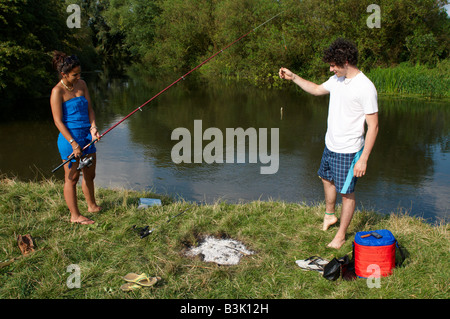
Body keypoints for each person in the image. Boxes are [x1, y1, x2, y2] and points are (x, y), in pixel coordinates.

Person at [279, 38, 379, 249]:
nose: (331, 69)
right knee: (325, 178)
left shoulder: (365, 87)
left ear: (345, 61)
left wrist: (364, 159)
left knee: (347, 193)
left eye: (333, 65)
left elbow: (374, 126)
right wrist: (294, 77)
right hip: (330, 145)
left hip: (349, 151)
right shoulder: (337, 80)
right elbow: (316, 89)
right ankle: (330, 215)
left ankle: (341, 235)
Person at [50, 51, 102, 225]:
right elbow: (58, 121)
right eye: (75, 74)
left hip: (87, 135)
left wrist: (93, 128)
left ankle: (92, 206)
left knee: (90, 174)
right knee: (72, 178)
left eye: (80, 73)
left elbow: (90, 110)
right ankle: (75, 216)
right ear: (64, 74)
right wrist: (73, 144)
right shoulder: (57, 92)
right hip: (69, 139)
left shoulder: (82, 85)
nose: (78, 77)